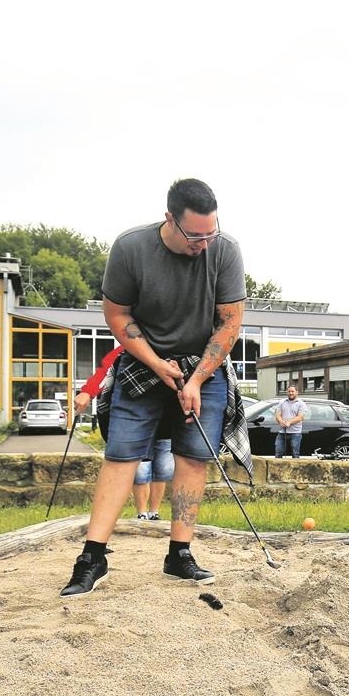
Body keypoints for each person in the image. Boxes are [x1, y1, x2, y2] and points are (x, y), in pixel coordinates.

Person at [60, 178, 251, 598]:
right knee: (121, 457)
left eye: (210, 232)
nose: (204, 242)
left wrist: (198, 377)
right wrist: (155, 363)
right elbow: (117, 315)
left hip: (205, 364)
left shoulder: (225, 250)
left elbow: (230, 322)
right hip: (143, 363)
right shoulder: (131, 248)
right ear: (170, 219)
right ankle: (92, 557)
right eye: (195, 235)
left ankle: (178, 554)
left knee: (194, 459)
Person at [73, 346, 173, 520]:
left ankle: (154, 512)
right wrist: (87, 392)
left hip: (167, 417)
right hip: (139, 415)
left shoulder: (177, 344)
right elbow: (107, 370)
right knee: (141, 468)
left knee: (163, 468)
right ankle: (142, 513)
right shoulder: (130, 346)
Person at [274, 385, 307, 458]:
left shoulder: (301, 404)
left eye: (292, 391)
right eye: (289, 391)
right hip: (282, 432)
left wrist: (289, 422)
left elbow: (300, 417)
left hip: (295, 433)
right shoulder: (282, 402)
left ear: (297, 392)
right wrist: (281, 422)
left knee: (295, 454)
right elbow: (277, 415)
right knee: (278, 452)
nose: (291, 393)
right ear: (287, 392)